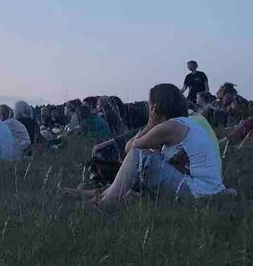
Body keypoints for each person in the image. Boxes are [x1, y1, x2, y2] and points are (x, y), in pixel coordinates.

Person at [71, 82, 225, 206]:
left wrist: (150, 124)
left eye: (151, 104)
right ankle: (104, 195)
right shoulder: (185, 123)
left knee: (139, 155)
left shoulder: (170, 127)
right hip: (206, 188)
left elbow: (130, 147)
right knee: (150, 156)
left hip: (198, 191)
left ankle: (106, 201)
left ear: (156, 106)